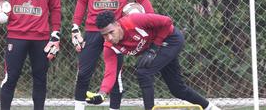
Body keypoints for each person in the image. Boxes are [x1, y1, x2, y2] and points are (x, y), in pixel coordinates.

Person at [71, 0, 154, 110]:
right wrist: (75, 26)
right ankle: (79, 108)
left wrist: (151, 19)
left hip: (116, 31)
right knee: (83, 73)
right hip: (93, 30)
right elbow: (81, 1)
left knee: (115, 75)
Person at [85, 10, 221, 110]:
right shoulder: (109, 47)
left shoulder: (133, 21)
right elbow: (110, 73)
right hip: (158, 49)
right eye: (104, 35)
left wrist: (154, 48)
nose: (109, 37)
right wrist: (102, 94)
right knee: (177, 89)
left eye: (111, 32)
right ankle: (211, 108)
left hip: (171, 39)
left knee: (143, 72)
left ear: (117, 24)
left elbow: (167, 21)